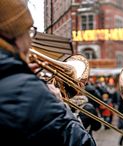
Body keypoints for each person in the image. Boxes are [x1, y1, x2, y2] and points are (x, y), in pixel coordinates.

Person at [0, 0, 96, 145]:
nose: (30, 42)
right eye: (29, 32)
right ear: (14, 36)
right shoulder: (28, 90)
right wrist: (60, 105)